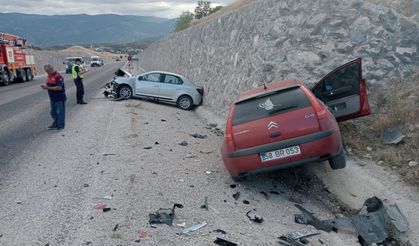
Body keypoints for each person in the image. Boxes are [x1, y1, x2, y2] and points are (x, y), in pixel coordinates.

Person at [41, 65, 66, 130]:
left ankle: (60, 126)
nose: (47, 72)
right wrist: (46, 86)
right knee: (53, 112)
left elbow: (59, 87)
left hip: (59, 98)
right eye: (46, 71)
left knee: (60, 113)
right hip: (53, 98)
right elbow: (49, 84)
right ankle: (56, 123)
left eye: (48, 71)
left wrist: (47, 87)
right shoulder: (49, 76)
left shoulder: (58, 77)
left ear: (51, 69)